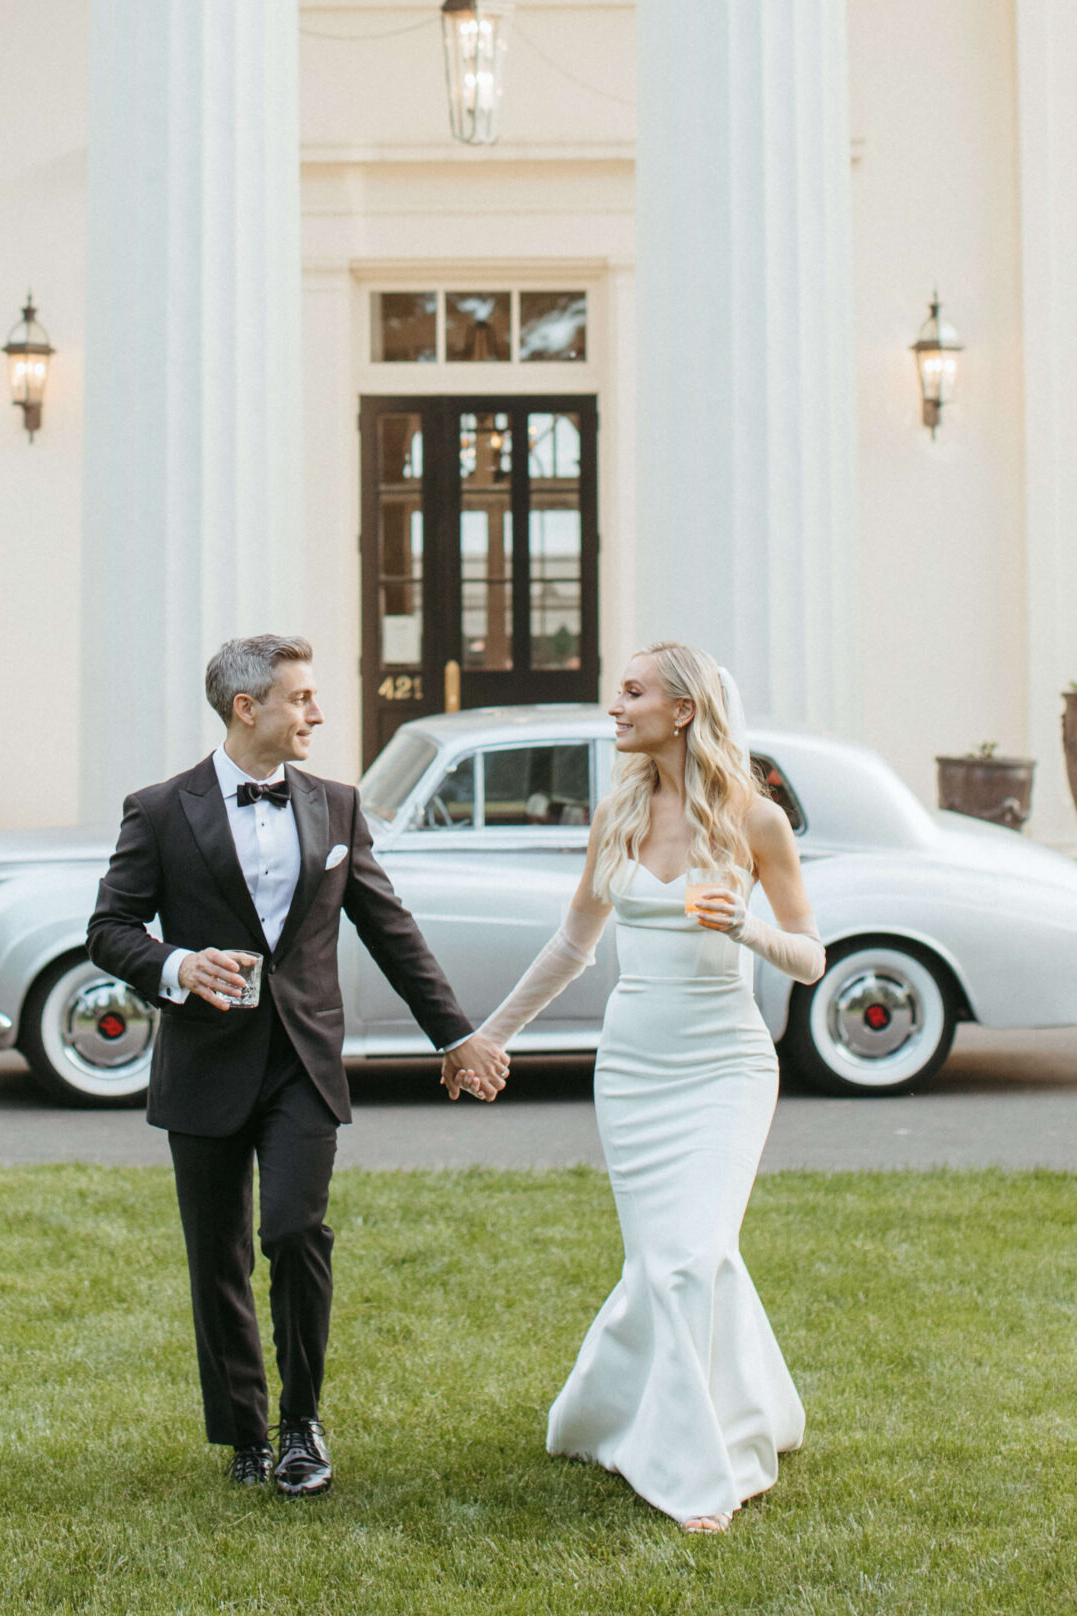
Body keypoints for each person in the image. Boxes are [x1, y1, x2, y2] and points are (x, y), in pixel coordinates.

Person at [86, 634, 507, 1498]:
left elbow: (390, 930)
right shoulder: (160, 810)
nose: (316, 713)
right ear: (249, 708)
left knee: (292, 1233)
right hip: (204, 1064)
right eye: (302, 698)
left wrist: (454, 1037)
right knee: (219, 1255)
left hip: (304, 1065)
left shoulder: (336, 808)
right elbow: (109, 930)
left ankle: (302, 1424)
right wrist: (176, 966)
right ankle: (242, 1431)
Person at [457, 641, 825, 1532]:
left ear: (684, 709)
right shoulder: (615, 815)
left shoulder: (754, 820)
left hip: (726, 1065)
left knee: (689, 1259)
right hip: (633, 1068)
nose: (613, 708)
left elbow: (811, 958)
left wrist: (747, 926)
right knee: (672, 1262)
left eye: (631, 693)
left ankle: (697, 1471)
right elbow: (570, 947)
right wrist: (486, 1037)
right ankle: (722, 1412)